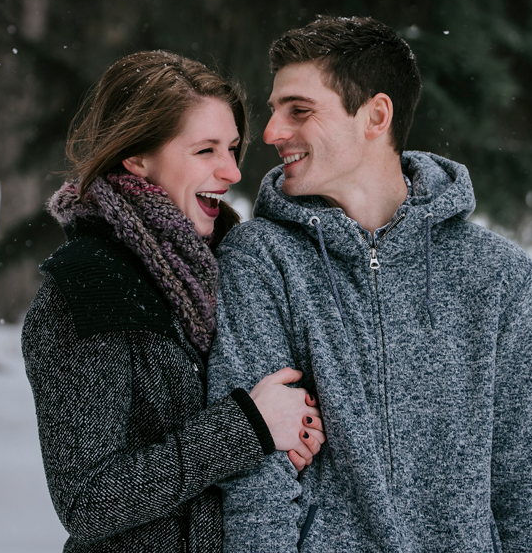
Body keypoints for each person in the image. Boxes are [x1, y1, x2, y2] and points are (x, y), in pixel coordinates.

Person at [208, 16, 532, 552]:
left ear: (376, 115)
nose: (271, 132)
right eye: (275, 108)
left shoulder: (498, 276)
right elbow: (255, 481)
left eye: (299, 110)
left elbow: (528, 479)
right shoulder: (260, 261)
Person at [22, 50, 326, 553]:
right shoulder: (86, 290)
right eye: (205, 151)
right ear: (138, 157)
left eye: (231, 148)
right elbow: (89, 500)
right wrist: (248, 427)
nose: (231, 172)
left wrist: (282, 442)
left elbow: (230, 443)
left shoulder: (225, 268)